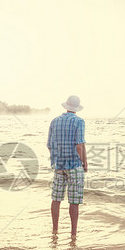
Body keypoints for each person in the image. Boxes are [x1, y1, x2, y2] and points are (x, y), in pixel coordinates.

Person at [47, 95, 88, 236]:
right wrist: (85, 163)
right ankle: (73, 234)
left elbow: (49, 146)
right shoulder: (79, 121)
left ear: (66, 106)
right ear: (76, 109)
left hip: (59, 165)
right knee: (74, 201)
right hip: (74, 165)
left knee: (56, 199)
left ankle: (55, 230)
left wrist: (56, 160)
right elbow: (79, 145)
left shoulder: (55, 121)